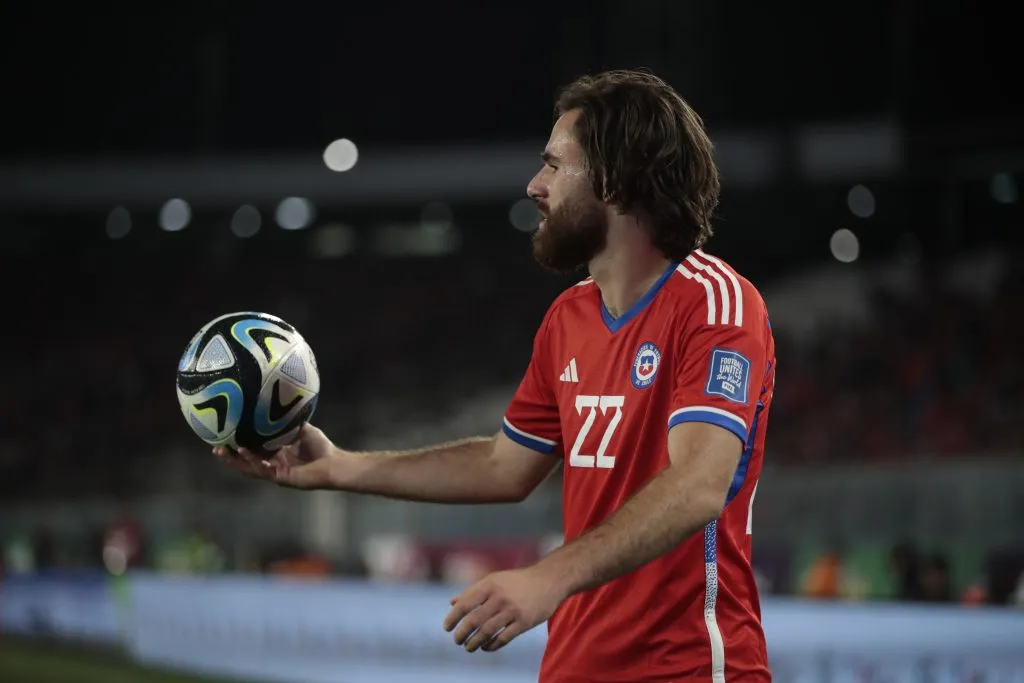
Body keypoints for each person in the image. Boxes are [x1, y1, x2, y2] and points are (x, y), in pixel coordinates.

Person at [216, 68, 775, 683]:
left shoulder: (716, 303)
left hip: (688, 670)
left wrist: (547, 578)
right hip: (573, 668)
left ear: (616, 178)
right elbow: (501, 467)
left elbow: (699, 484)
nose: (536, 185)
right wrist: (339, 467)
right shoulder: (569, 317)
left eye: (556, 165)